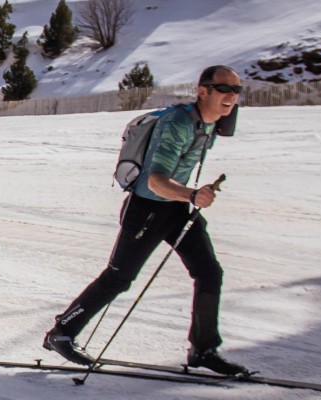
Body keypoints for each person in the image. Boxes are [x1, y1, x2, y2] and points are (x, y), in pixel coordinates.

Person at [44, 65, 248, 375]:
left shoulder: (210, 123)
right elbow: (155, 181)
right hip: (147, 209)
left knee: (209, 273)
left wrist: (189, 196)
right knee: (118, 278)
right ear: (203, 91)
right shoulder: (177, 124)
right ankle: (62, 333)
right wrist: (192, 194)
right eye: (224, 89)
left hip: (176, 207)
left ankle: (203, 349)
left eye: (237, 90)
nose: (232, 96)